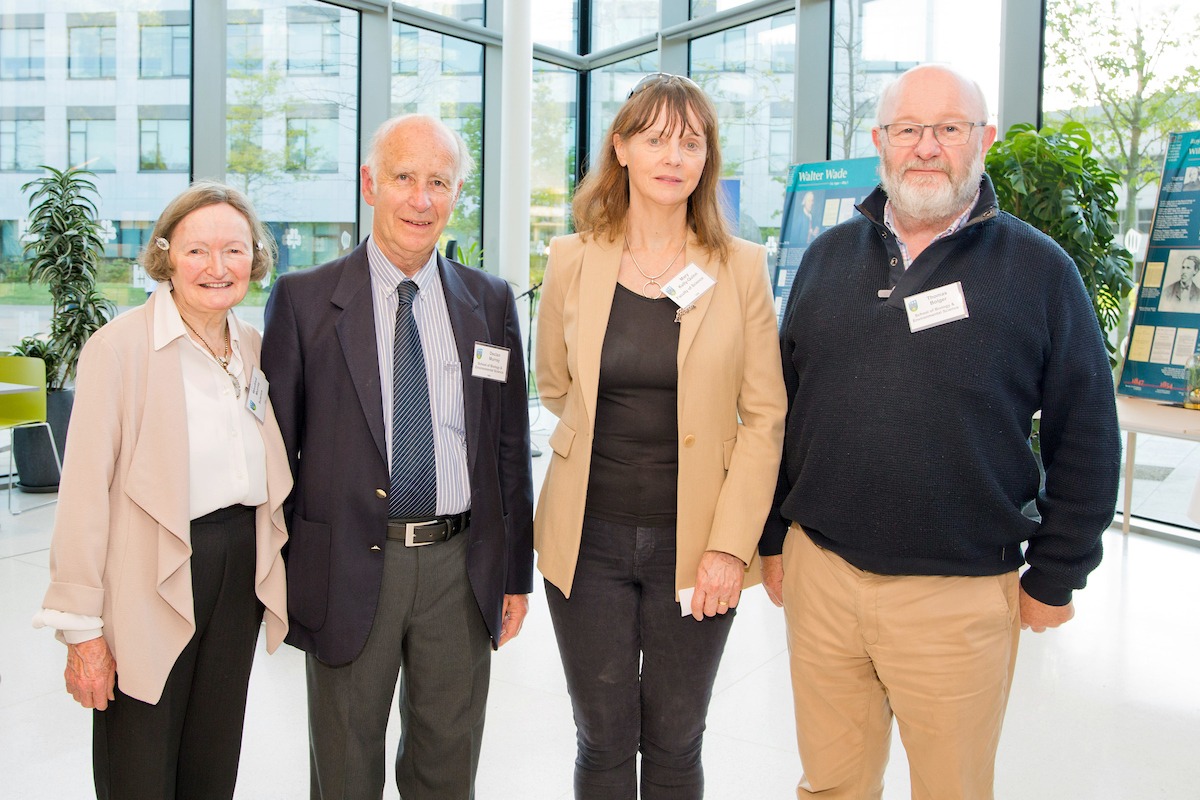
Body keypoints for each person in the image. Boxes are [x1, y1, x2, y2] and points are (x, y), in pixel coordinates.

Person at [761, 64, 1120, 800]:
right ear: (879, 143)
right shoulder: (826, 259)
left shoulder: (1040, 270)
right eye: (908, 130)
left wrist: (1057, 573)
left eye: (949, 129)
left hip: (957, 597)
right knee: (830, 784)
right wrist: (773, 539)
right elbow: (783, 411)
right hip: (822, 580)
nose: (927, 147)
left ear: (982, 141)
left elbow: (1085, 434)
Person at [261, 113, 534, 800]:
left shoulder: (490, 302)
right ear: (369, 184)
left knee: (448, 763)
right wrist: (285, 570)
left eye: (438, 182)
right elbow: (275, 455)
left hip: (459, 565)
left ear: (455, 195)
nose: (420, 199)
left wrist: (514, 572)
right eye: (404, 178)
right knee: (346, 766)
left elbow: (508, 447)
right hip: (349, 561)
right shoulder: (303, 301)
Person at [535, 72, 786, 799]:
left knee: (675, 741)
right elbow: (556, 384)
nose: (673, 156)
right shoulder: (571, 259)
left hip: (700, 541)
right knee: (603, 740)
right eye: (654, 139)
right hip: (587, 539)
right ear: (620, 149)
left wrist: (729, 546)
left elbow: (766, 417)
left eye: (691, 141)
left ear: (707, 159)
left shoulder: (740, 268)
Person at [33, 181, 290, 800]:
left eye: (234, 250)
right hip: (150, 568)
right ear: (166, 254)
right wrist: (83, 634)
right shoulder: (119, 349)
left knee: (213, 753)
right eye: (198, 250)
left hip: (237, 568)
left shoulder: (251, 347)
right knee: (140, 760)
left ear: (254, 259)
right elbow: (85, 498)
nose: (217, 266)